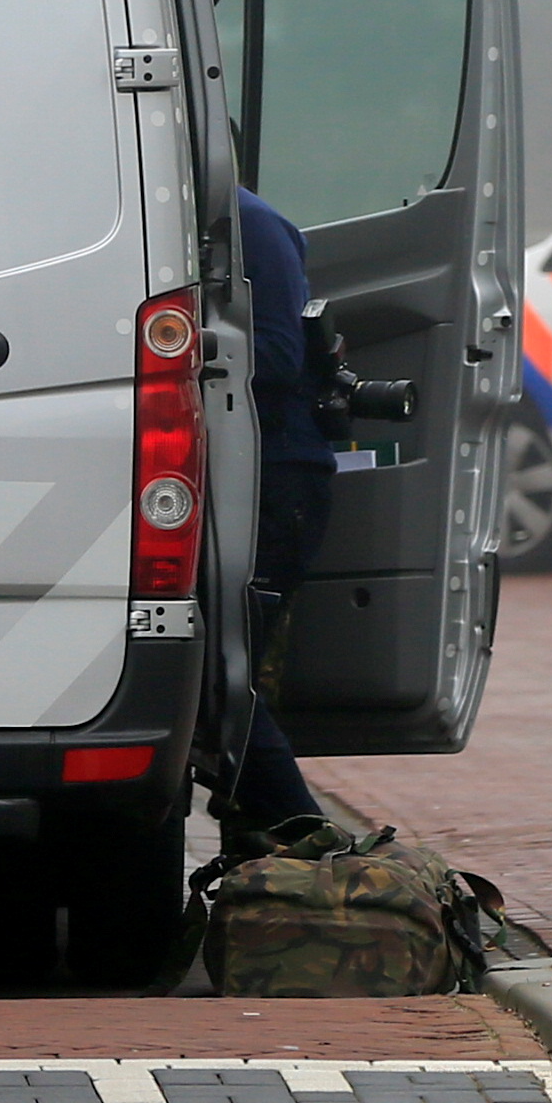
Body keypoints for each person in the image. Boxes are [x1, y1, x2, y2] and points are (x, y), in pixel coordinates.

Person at [217, 184, 332, 855]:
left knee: (230, 683)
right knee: (238, 681)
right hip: (256, 476)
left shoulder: (252, 226)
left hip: (275, 479)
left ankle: (317, 853)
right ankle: (264, 862)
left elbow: (281, 355)